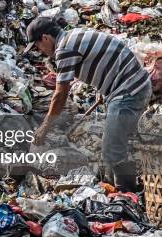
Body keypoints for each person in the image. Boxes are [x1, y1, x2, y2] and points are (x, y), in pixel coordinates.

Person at [24, 16, 152, 191]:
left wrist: (45, 127)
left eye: (38, 45)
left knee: (112, 148)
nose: (40, 51)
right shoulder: (73, 35)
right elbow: (103, 56)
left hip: (130, 90)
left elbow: (60, 94)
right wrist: (103, 90)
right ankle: (114, 187)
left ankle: (128, 196)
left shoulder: (64, 49)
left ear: (45, 38)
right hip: (130, 85)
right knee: (112, 147)